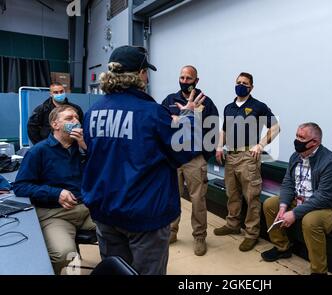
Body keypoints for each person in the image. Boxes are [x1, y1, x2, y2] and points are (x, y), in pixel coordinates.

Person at [80, 46, 204, 275]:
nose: (147, 77)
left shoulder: (92, 113)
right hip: (144, 215)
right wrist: (189, 115)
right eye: (146, 72)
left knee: (116, 271)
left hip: (105, 211)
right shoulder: (151, 113)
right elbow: (186, 149)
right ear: (139, 75)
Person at [13, 105, 95, 275]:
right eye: (69, 118)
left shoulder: (83, 147)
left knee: (121, 227)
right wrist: (55, 193)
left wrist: (87, 148)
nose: (76, 121)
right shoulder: (38, 152)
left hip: (87, 209)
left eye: (77, 118)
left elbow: (101, 174)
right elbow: (20, 186)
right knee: (63, 254)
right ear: (55, 124)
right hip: (56, 214)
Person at [261, 123, 332, 274]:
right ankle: (282, 247)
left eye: (301, 137)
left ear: (315, 142)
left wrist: (295, 213)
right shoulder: (295, 157)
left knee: (310, 221)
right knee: (271, 204)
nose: (297, 140)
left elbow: (324, 198)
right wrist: (283, 206)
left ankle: (318, 271)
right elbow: (288, 183)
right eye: (296, 135)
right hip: (302, 200)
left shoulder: (331, 163)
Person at [214, 72, 280, 252]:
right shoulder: (229, 107)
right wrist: (219, 146)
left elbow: (276, 127)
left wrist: (260, 144)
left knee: (251, 197)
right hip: (230, 157)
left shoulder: (258, 106)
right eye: (238, 82)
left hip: (248, 158)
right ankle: (232, 224)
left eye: (245, 83)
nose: (241, 85)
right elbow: (224, 131)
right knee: (232, 194)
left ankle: (252, 234)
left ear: (251, 87)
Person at [161, 65, 219, 256]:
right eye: (182, 78)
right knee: (171, 197)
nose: (185, 81)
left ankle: (200, 236)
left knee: (198, 200)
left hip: (195, 159)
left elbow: (212, 133)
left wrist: (203, 155)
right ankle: (171, 232)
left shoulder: (206, 103)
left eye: (189, 78)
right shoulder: (170, 100)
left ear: (196, 80)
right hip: (173, 159)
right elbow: (161, 125)